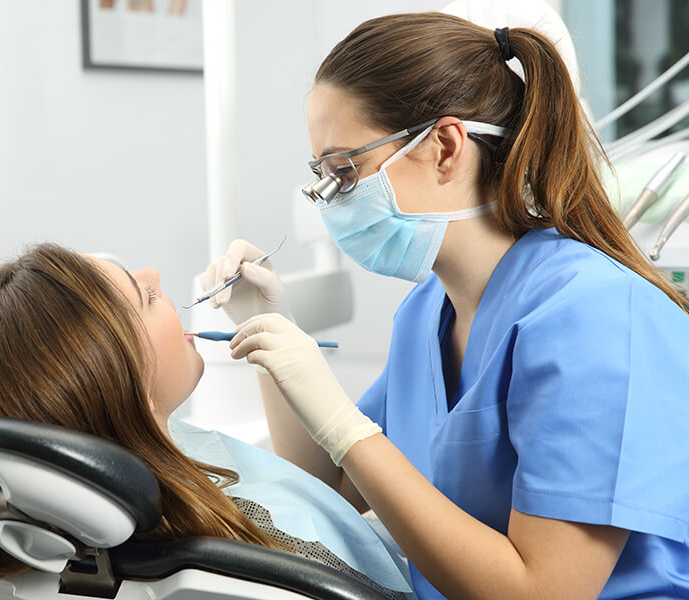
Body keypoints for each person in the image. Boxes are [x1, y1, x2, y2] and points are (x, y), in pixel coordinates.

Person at [200, 12, 689, 600]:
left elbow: (543, 592)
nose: (330, 203)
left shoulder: (597, 315)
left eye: (345, 172)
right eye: (322, 177)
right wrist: (270, 329)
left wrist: (343, 422)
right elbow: (330, 480)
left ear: (445, 148)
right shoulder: (426, 313)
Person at [0, 243, 413, 598]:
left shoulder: (88, 509)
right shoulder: (266, 555)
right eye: (144, 297)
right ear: (133, 399)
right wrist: (343, 425)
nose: (153, 273)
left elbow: (309, 489)